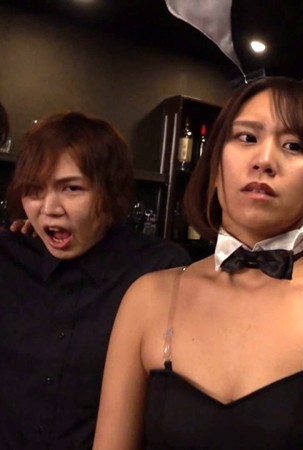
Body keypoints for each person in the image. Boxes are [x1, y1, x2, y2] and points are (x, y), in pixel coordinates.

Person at [93, 77, 303, 449]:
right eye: (247, 137)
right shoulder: (147, 299)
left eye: (293, 145)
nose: (264, 160)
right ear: (215, 167)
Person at [0, 112, 191, 449]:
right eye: (34, 190)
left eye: (72, 188)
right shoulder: (9, 257)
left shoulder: (159, 270)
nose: (49, 208)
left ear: (110, 191)